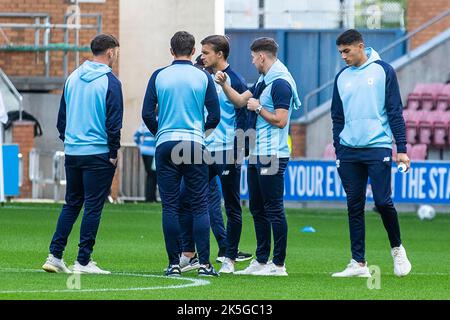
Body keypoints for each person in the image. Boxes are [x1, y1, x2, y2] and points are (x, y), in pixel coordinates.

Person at [215, 37, 301, 276]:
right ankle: (261, 260)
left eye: (253, 57)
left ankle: (279, 264)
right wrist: (224, 85)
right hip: (256, 152)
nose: (252, 62)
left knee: (273, 208)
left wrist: (259, 109)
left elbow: (281, 120)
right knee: (257, 208)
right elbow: (241, 101)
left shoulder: (280, 82)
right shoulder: (265, 80)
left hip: (272, 153)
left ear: (261, 56)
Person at [330, 29, 411, 277]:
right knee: (354, 204)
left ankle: (397, 250)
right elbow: (337, 117)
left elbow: (395, 112)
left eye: (347, 51)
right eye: (341, 52)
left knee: (382, 202)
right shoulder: (342, 77)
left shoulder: (383, 70)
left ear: (360, 46)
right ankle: (358, 263)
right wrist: (339, 149)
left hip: (378, 147)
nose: (343, 56)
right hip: (349, 151)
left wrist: (402, 149)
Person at [42, 34, 123, 274]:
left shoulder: (73, 77)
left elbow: (61, 119)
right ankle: (83, 261)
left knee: (72, 203)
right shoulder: (111, 81)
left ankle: (55, 255)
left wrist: (71, 143)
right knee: (93, 207)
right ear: (110, 52)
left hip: (74, 152)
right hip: (98, 153)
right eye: (116, 52)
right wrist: (113, 151)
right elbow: (114, 121)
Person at [142, 31, 220, 277]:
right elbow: (215, 116)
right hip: (194, 144)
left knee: (170, 207)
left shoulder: (159, 75)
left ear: (171, 50)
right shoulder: (203, 77)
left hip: (166, 144)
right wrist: (200, 134)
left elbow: (146, 113)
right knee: (199, 205)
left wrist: (161, 133)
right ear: (194, 50)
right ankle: (205, 264)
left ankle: (173, 263)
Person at [178, 35, 253, 274]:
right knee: (185, 199)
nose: (202, 56)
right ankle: (188, 254)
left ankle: (229, 257)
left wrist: (241, 150)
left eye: (206, 52)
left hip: (226, 151)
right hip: (202, 149)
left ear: (219, 54)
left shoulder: (236, 81)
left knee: (231, 204)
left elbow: (244, 117)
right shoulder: (204, 77)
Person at [134, 123, 157, 202]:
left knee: (150, 174)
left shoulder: (144, 124)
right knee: (153, 175)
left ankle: (150, 197)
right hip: (153, 152)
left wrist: (140, 146)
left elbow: (136, 136)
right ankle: (150, 198)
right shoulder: (159, 120)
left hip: (144, 151)